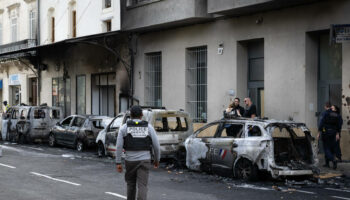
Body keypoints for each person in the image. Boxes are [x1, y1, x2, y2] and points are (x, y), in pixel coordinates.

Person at [115, 105, 160, 200]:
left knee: (131, 184)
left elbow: (119, 146)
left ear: (130, 115)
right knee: (142, 185)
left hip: (130, 161)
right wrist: (157, 160)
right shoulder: (149, 127)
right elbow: (156, 145)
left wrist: (118, 162)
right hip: (144, 160)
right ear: (141, 115)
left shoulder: (124, 128)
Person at [318, 103, 341, 169]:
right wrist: (337, 133)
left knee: (326, 148)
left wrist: (319, 132)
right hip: (334, 133)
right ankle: (328, 163)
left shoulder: (326, 113)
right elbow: (338, 126)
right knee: (330, 148)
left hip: (326, 133)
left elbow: (321, 123)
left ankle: (333, 160)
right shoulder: (337, 115)